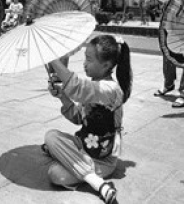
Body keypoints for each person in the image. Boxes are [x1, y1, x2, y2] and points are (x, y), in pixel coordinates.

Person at [42, 35, 131, 204]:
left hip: (103, 158)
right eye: (85, 58)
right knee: (51, 135)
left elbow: (77, 87)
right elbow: (78, 118)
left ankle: (98, 184)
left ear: (106, 65)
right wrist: (62, 96)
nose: (84, 63)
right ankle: (80, 166)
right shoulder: (95, 85)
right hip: (84, 146)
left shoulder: (110, 89)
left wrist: (52, 58)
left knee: (56, 174)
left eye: (89, 60)